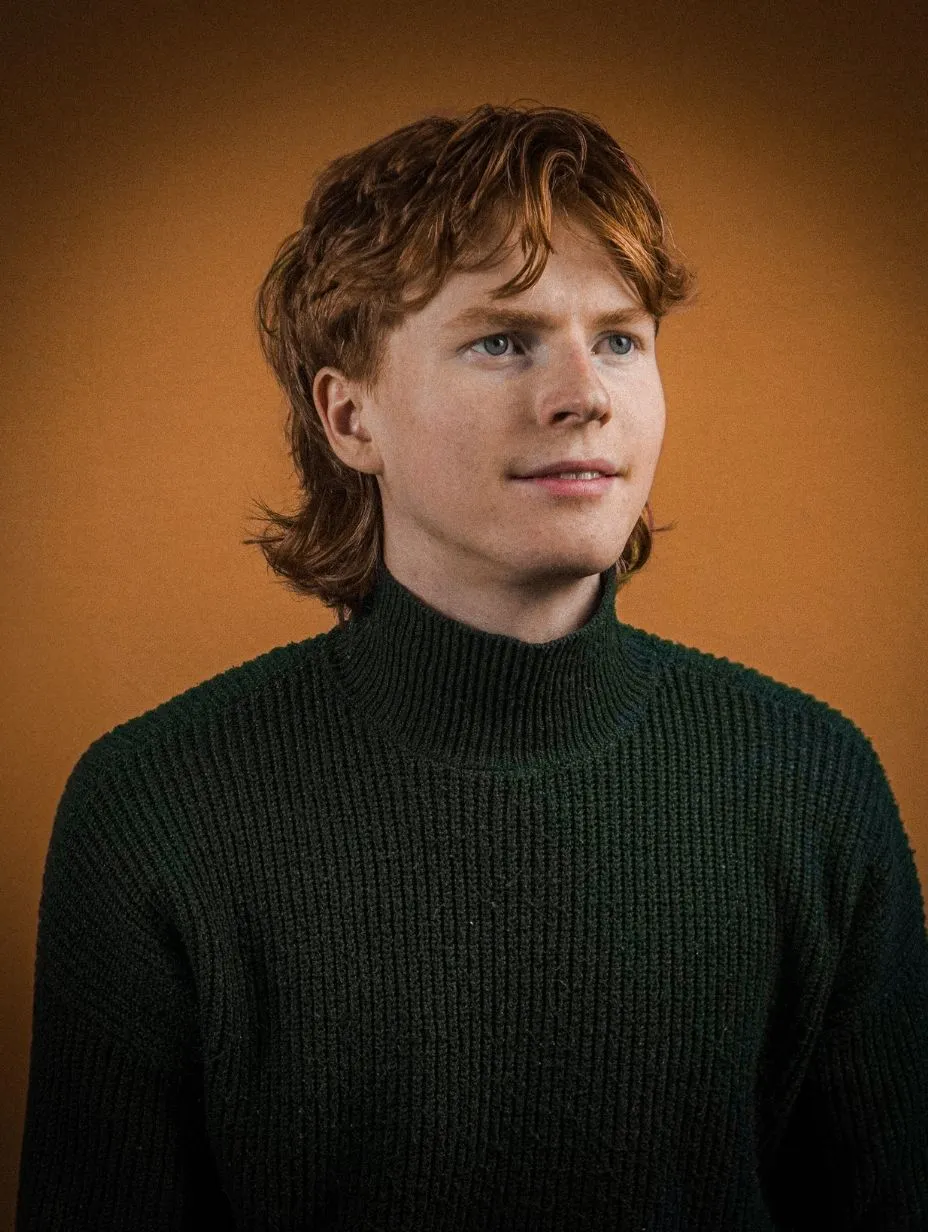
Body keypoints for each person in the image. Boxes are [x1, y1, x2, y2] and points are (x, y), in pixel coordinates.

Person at [16, 101, 928, 1230]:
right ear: (350, 418)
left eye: (619, 337)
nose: (583, 392)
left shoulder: (813, 782)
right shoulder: (154, 808)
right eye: (504, 338)